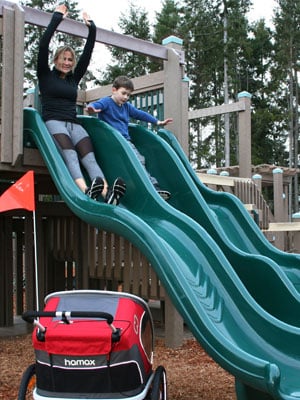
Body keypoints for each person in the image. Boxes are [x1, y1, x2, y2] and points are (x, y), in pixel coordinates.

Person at [37, 4, 126, 205]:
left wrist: (91, 29)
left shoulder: (73, 79)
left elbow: (88, 53)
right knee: (70, 155)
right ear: (56, 59)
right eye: (63, 59)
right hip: (54, 122)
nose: (67, 62)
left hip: (74, 124)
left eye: (70, 60)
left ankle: (107, 193)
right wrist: (57, 18)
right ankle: (86, 190)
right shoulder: (45, 74)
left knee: (90, 159)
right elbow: (43, 46)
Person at [86, 76, 173, 200]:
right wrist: (91, 108)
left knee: (140, 160)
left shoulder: (126, 106)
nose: (126, 97)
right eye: (123, 93)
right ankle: (153, 186)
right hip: (111, 141)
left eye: (128, 95)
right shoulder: (107, 102)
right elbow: (96, 105)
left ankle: (153, 187)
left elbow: (139, 114)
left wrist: (157, 122)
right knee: (138, 159)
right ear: (114, 90)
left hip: (124, 141)